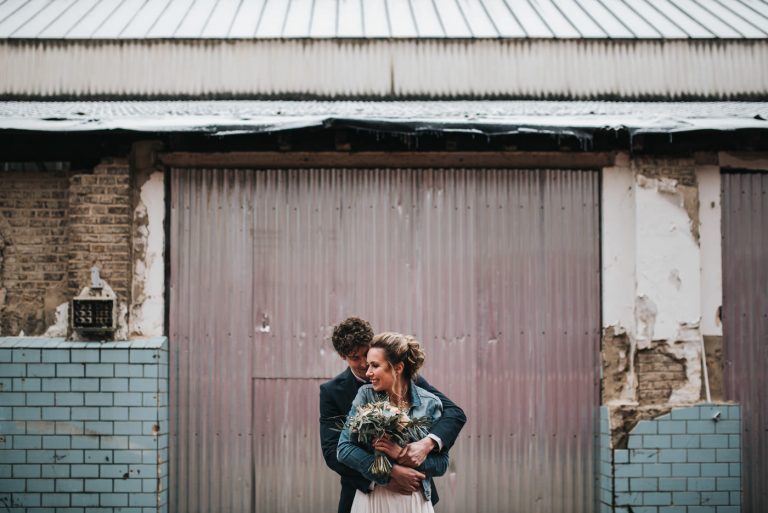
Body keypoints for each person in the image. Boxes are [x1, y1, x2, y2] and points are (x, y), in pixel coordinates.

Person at [320, 318, 466, 513]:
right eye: (356, 357)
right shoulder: (336, 392)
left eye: (368, 355)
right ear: (342, 356)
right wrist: (388, 475)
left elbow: (454, 413)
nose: (365, 365)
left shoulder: (408, 380)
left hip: (414, 492)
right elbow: (334, 452)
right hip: (366, 490)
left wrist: (426, 444)